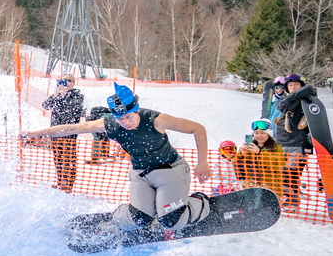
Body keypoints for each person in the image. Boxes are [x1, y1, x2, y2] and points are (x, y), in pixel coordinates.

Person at [21, 83, 211, 234]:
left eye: (129, 117)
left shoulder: (156, 120)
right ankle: (121, 217)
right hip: (141, 174)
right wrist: (36, 133)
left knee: (171, 222)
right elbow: (73, 128)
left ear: (136, 109)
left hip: (170, 170)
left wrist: (202, 162)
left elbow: (198, 128)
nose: (125, 123)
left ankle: (200, 202)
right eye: (120, 119)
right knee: (139, 219)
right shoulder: (111, 124)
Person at [274, 74, 315, 210]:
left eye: (296, 85)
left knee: (291, 172)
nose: (293, 88)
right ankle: (290, 199)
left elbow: (312, 93)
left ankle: (292, 201)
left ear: (301, 86)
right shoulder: (286, 100)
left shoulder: (308, 99)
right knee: (283, 173)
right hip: (283, 143)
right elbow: (282, 107)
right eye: (290, 86)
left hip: (299, 144)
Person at [40, 75, 85, 192]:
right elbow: (45, 106)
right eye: (64, 81)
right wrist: (56, 95)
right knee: (58, 159)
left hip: (69, 133)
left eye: (69, 81)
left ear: (73, 83)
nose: (66, 83)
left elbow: (73, 108)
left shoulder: (77, 95)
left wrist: (64, 94)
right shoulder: (57, 95)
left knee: (68, 159)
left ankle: (68, 184)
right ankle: (61, 182)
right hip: (55, 133)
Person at [238, 120, 285, 197]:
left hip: (270, 188)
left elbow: (278, 164)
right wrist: (241, 154)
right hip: (251, 186)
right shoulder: (249, 147)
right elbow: (236, 167)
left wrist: (259, 153)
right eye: (256, 133)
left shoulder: (276, 148)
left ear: (268, 134)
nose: (259, 136)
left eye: (262, 133)